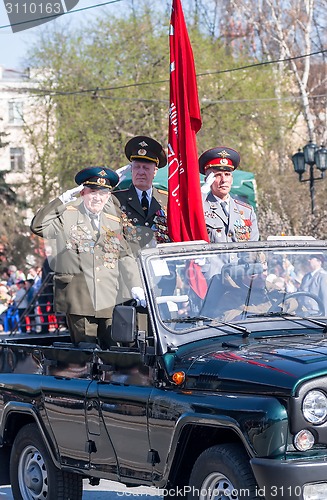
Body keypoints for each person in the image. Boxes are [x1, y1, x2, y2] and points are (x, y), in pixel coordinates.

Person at [30, 166, 142, 348]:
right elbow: (38, 226)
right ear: (83, 193)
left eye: (103, 193)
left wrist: (135, 284)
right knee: (86, 354)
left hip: (109, 296)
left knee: (115, 353)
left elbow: (125, 255)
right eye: (92, 192)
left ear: (108, 196)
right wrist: (62, 200)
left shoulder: (113, 221)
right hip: (79, 298)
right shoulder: (67, 215)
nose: (97, 197)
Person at [113, 135, 169, 251]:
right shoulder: (115, 200)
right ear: (131, 170)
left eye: (146, 168)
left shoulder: (166, 200)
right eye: (137, 167)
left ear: (155, 171)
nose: (141, 172)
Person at [199, 146, 259, 242]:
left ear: (232, 179)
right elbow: (187, 214)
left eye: (227, 174)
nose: (223, 180)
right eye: (217, 175)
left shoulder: (247, 211)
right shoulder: (200, 207)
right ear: (208, 180)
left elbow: (252, 248)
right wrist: (203, 192)